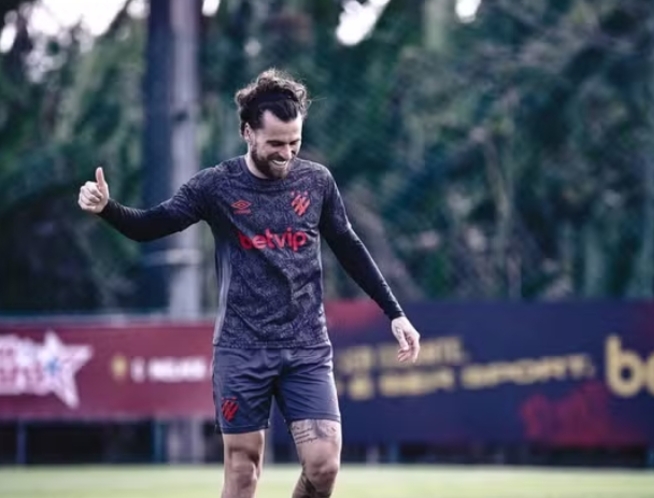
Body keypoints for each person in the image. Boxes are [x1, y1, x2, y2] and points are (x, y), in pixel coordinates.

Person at [77, 68, 421, 498]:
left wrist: (396, 313)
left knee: (324, 466)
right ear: (247, 132)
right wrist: (108, 208)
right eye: (275, 143)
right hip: (242, 347)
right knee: (243, 473)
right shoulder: (216, 185)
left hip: (306, 346)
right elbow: (152, 226)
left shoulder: (317, 182)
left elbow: (349, 247)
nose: (286, 154)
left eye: (294, 143)